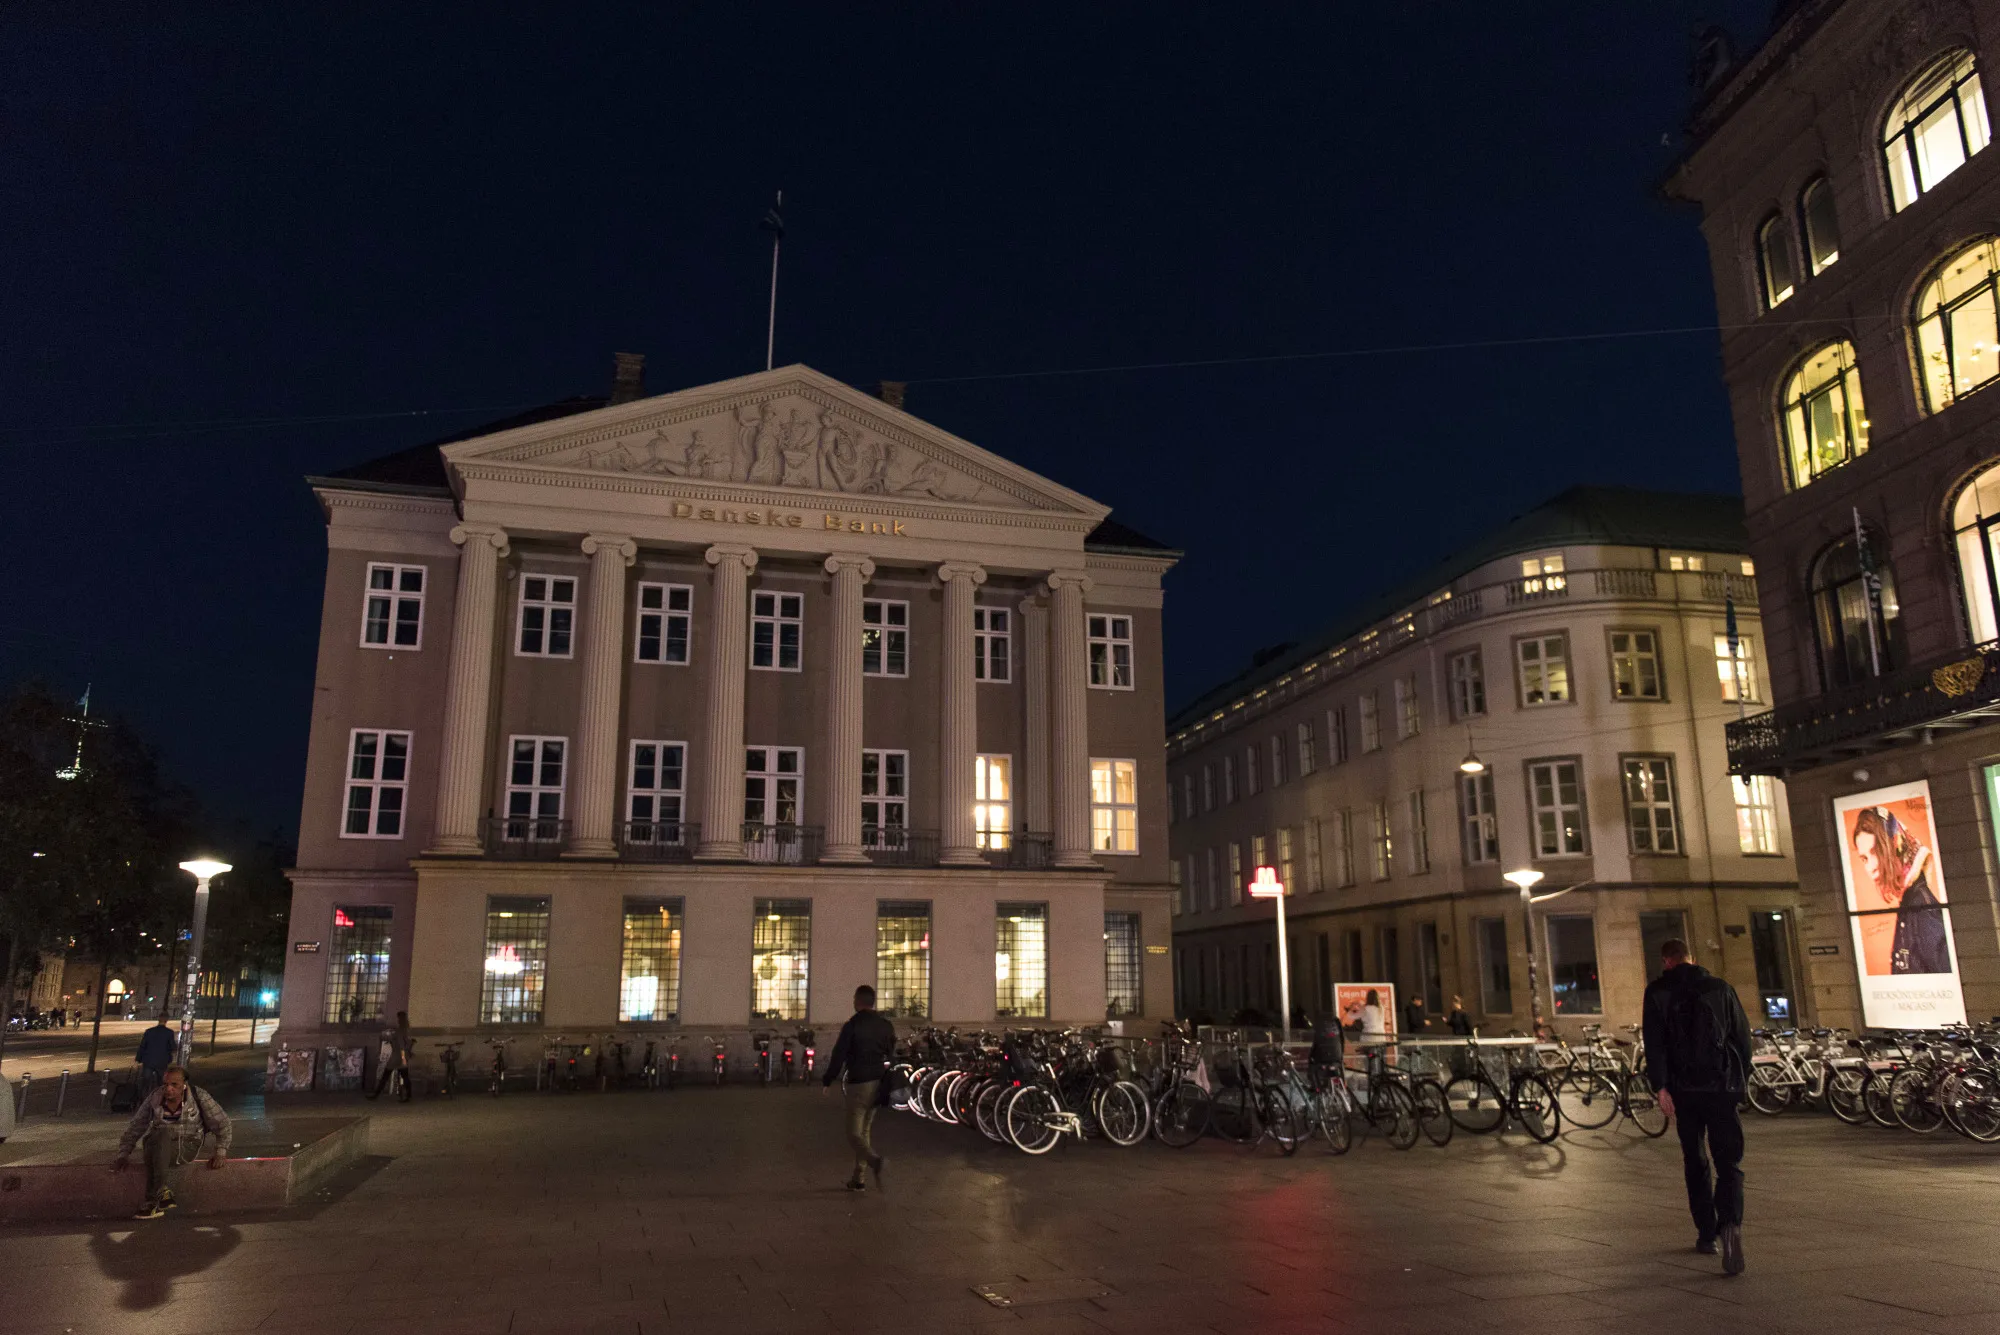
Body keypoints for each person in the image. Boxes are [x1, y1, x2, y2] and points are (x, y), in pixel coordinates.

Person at [1642, 938, 1752, 1276]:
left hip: (1683, 1090)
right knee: (1729, 1161)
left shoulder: (1657, 992)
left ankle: (1706, 1233)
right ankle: (1731, 1223)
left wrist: (1660, 1086)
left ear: (1667, 961)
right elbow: (1742, 1039)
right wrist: (1739, 1081)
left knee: (1695, 1159)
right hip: (1720, 1089)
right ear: (1692, 958)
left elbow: (1655, 1042)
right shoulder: (1720, 988)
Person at [112, 1064, 231, 1219]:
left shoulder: (198, 1096)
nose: (169, 1089)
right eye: (166, 1084)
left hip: (186, 1145)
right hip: (158, 1144)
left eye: (174, 1085)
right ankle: (162, 1192)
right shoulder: (156, 1097)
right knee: (157, 1136)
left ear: (184, 1085)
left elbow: (223, 1123)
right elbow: (137, 1125)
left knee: (159, 1140)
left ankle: (152, 1200)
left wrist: (221, 1152)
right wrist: (123, 1154)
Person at [1850, 807, 1950, 975]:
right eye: (1864, 858)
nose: (1871, 867)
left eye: (1876, 852)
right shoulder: (1910, 902)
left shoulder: (1920, 907)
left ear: (1896, 844)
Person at [821, 984, 895, 1192]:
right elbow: (891, 1053)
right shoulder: (886, 1025)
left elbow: (839, 1055)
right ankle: (859, 1178)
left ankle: (874, 1161)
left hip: (859, 1083)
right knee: (865, 1130)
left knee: (853, 1132)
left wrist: (828, 1080)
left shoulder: (852, 1026)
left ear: (858, 1001)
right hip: (879, 1083)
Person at [367, 1011, 412, 1100]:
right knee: (404, 1077)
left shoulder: (399, 1031)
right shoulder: (404, 1030)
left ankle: (376, 1094)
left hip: (397, 1056)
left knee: (386, 1076)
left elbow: (401, 1045)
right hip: (400, 1056)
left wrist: (402, 1057)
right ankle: (408, 1096)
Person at [135, 1014, 176, 1095]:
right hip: (162, 1061)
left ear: (158, 1020)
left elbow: (143, 1045)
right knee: (161, 1081)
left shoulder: (149, 1031)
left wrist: (138, 1058)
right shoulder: (169, 1032)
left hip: (148, 1060)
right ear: (166, 1021)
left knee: (146, 1080)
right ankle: (159, 1096)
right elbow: (172, 1047)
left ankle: (145, 1096)